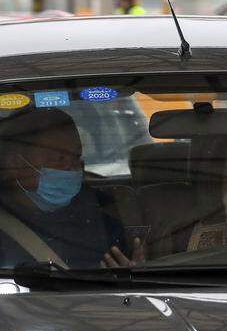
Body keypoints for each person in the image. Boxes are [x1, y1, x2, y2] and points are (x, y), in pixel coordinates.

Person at [0, 108, 140, 269]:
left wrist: (134, 271)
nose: (72, 169)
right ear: (15, 163)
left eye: (76, 157)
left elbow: (126, 267)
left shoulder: (102, 213)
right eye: (59, 158)